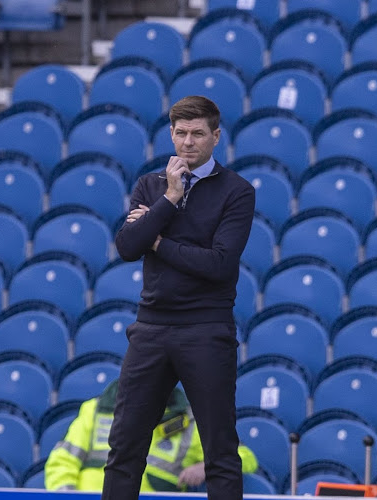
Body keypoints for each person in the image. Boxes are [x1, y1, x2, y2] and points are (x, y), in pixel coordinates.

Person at [101, 95, 256, 500]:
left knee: (220, 451)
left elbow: (219, 264)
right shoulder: (151, 186)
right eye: (181, 133)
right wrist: (169, 199)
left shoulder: (237, 192)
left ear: (216, 136)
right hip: (150, 328)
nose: (188, 142)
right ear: (171, 133)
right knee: (124, 447)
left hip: (206, 329)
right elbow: (127, 247)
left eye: (198, 134)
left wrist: (158, 239)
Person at [44, 381, 258, 492]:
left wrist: (206, 466)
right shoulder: (96, 409)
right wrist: (69, 496)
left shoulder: (193, 420)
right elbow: (61, 463)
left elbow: (246, 457)